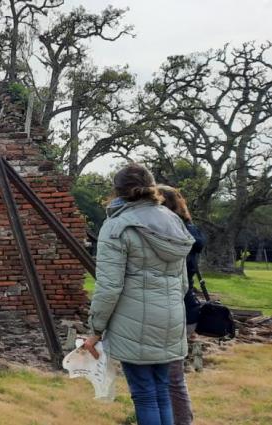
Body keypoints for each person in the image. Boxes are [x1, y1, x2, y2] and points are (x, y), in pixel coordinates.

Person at [84, 164, 194, 425]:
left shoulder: (117, 226)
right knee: (162, 392)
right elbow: (183, 284)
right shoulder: (173, 220)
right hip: (171, 318)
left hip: (133, 321)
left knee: (144, 394)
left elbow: (109, 287)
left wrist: (96, 328)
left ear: (118, 190)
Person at [158, 184, 205, 425]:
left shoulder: (172, 235)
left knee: (168, 378)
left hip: (175, 310)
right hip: (188, 310)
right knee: (172, 377)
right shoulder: (191, 231)